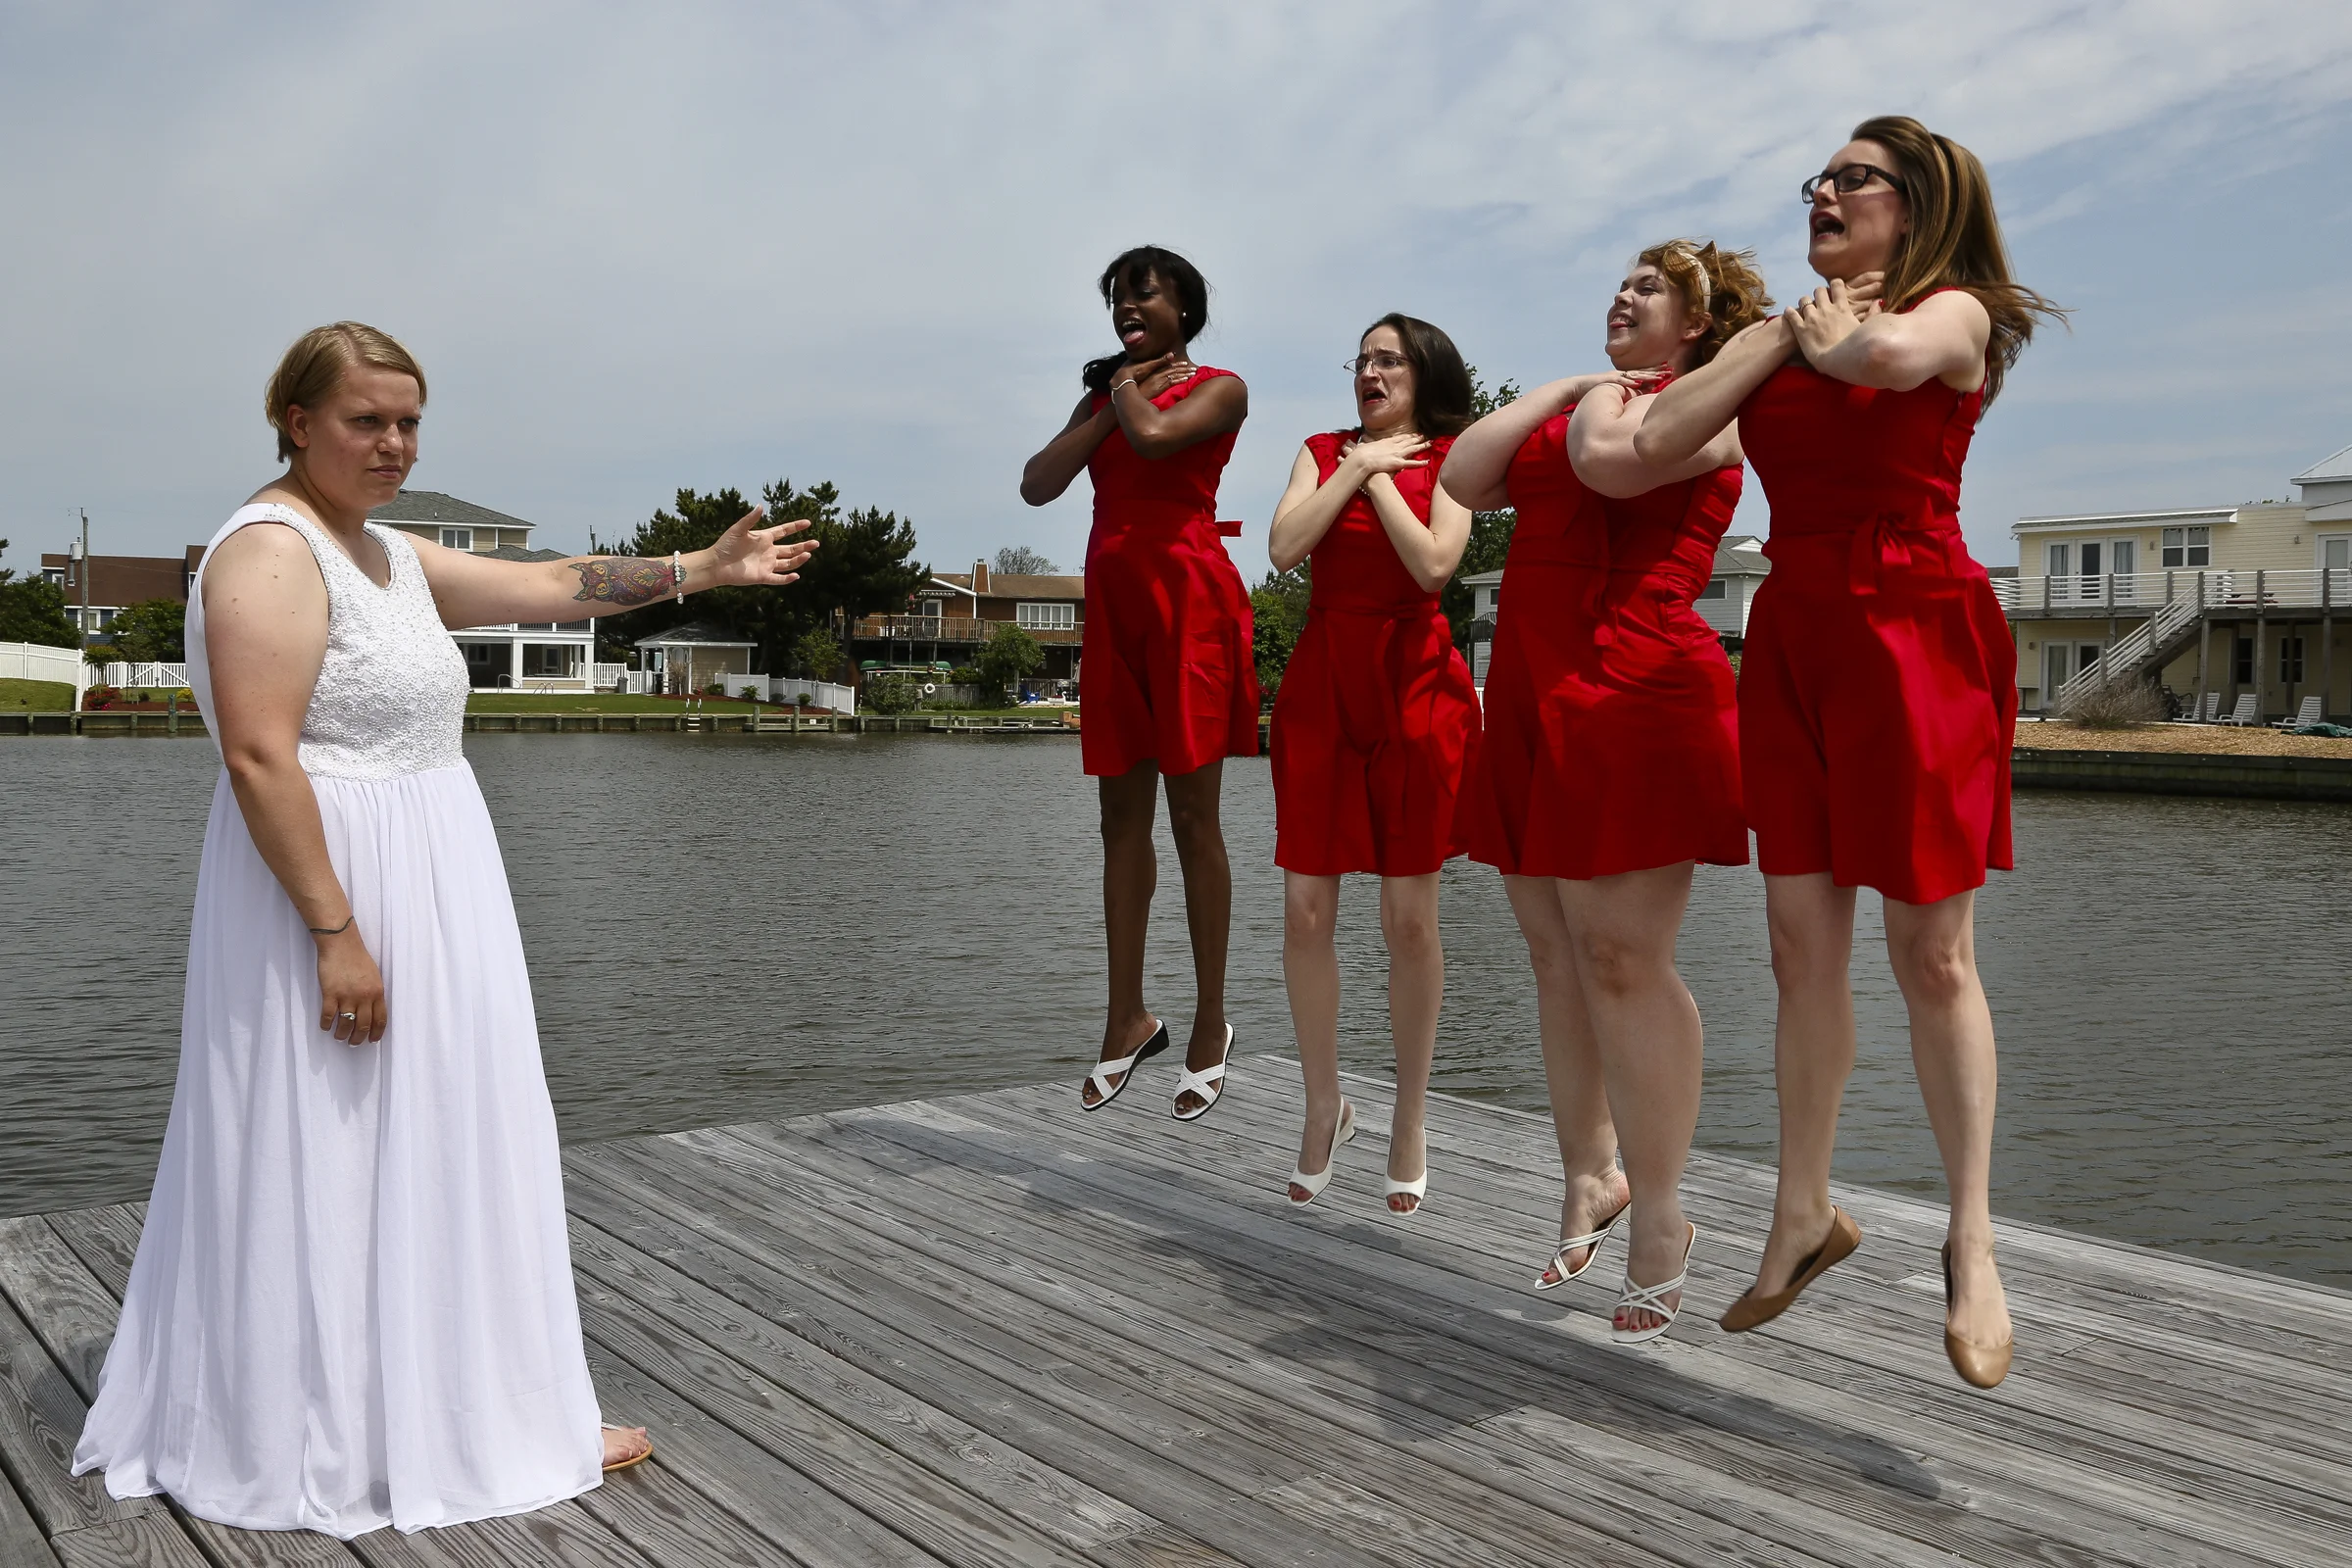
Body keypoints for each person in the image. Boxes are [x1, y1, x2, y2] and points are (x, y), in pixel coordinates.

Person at [73, 321, 815, 1535]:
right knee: (330, 1139)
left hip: (437, 870)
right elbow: (260, 757)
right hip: (331, 887)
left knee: (440, 1132)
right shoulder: (270, 553)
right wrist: (335, 931)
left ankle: (454, 1408)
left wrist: (703, 568)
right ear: (297, 421)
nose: (394, 443)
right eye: (366, 419)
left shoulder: (386, 552)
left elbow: (554, 585)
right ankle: (322, 1425)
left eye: (409, 421)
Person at [1637, 118, 2060, 1387]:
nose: (1822, 193)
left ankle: (1971, 1239)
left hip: (1917, 624)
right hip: (1799, 634)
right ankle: (1802, 1212)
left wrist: (1820, 336)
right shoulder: (1790, 334)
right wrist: (1770, 338)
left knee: (1932, 952)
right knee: (1794, 946)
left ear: (1913, 203)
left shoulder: (1959, 310)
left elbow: (1886, 356)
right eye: (1816, 180)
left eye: (1852, 178)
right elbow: (1661, 437)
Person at [1445, 243, 1769, 1343]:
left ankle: (1664, 1214)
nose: (1623, 295)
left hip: (1637, 676)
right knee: (1555, 953)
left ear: (1701, 322)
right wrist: (1568, 385)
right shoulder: (1590, 400)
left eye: (1650, 286)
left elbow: (1611, 468)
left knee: (1624, 958)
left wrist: (1595, 403)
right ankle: (1592, 1173)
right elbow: (1463, 476)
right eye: (1620, 281)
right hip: (1535, 686)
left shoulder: (1714, 408)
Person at [1020, 247, 1256, 1121]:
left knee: (1194, 819)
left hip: (1188, 606)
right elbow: (1037, 484)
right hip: (1116, 613)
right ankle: (1127, 1017)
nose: (1126, 307)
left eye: (1143, 295)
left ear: (1184, 309)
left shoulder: (1220, 388)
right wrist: (1110, 397)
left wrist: (1122, 389)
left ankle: (1210, 1020)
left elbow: (1155, 438)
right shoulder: (1104, 401)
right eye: (1118, 297)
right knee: (1118, 823)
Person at [1264, 315, 1481, 1216]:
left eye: (1389, 359)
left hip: (1417, 686)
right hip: (1324, 687)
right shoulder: (1321, 451)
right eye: (1361, 360)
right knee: (1305, 910)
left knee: (1408, 920)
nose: (1370, 371)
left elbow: (1433, 564)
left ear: (1424, 373)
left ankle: (1410, 1118)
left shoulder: (1457, 457)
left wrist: (1383, 476)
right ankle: (1325, 1106)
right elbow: (1284, 547)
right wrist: (1356, 466)